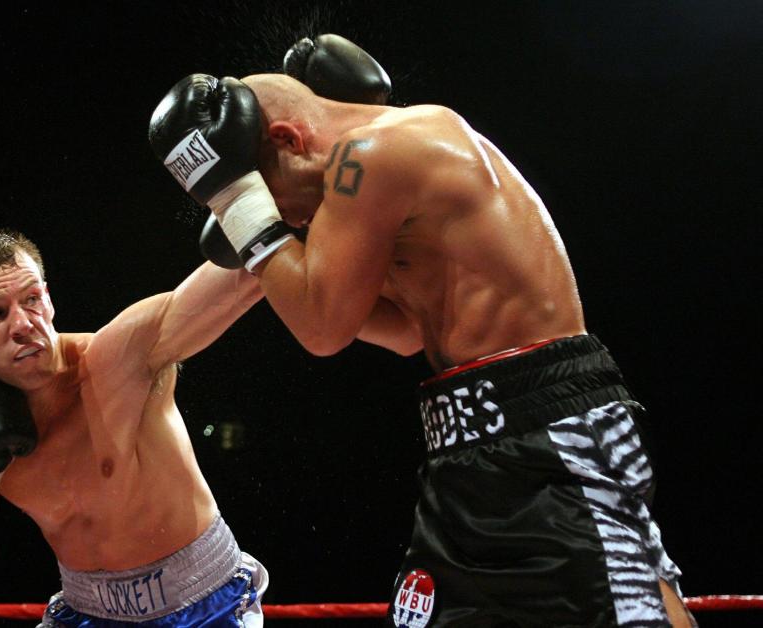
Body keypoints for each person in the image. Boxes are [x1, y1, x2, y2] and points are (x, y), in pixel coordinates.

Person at [148, 35, 695, 627]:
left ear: (287, 139)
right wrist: (289, 259)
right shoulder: (381, 180)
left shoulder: (373, 153)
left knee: (622, 608)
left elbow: (322, 330)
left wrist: (242, 211)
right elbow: (406, 332)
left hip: (548, 429)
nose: (294, 221)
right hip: (472, 438)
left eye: (273, 196)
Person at [0, 228, 269, 627]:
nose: (22, 324)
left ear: (48, 298)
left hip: (203, 604)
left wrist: (263, 206)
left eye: (32, 300)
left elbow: (241, 277)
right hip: (84, 612)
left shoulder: (118, 363)